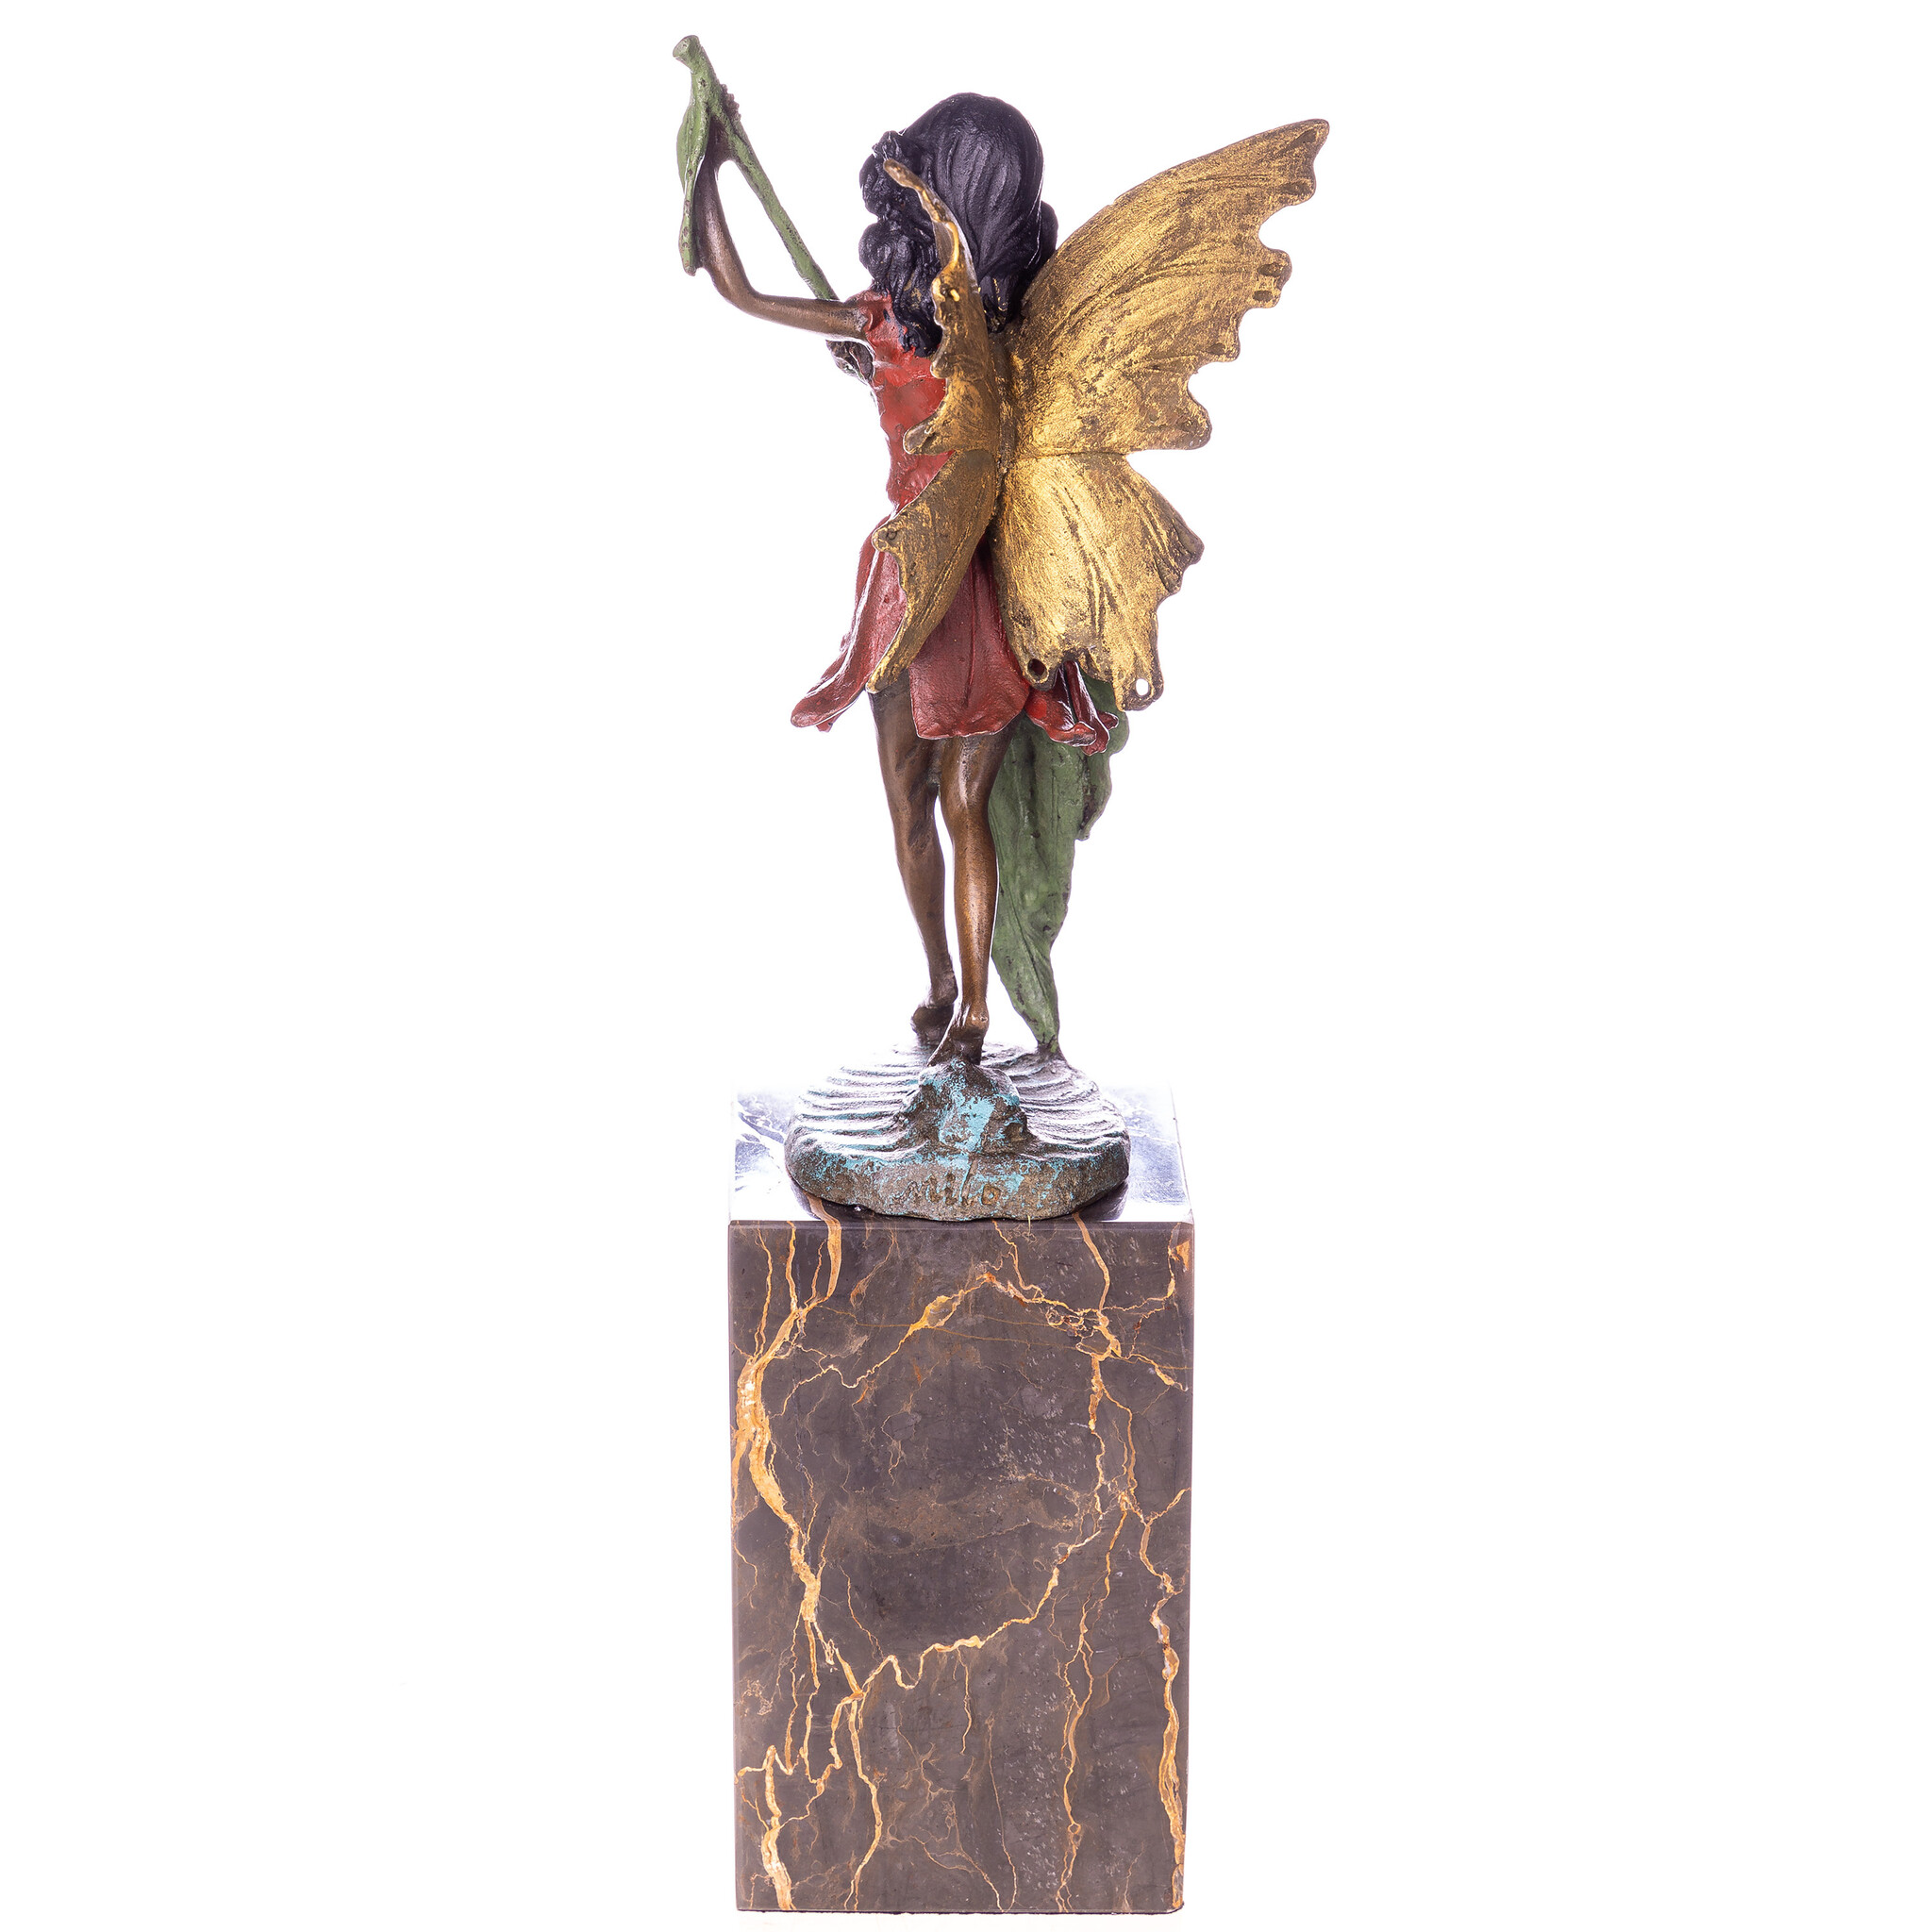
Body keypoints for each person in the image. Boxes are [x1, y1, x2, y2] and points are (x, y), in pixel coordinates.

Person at [690, 93, 1110, 1065]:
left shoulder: (951, 330)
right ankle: (949, 991)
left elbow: (739, 289)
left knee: (935, 806)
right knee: (929, 803)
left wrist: (711, 168)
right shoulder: (956, 330)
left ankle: (966, 1002)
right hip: (930, 588)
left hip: (955, 587)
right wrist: (713, 163)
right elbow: (742, 291)